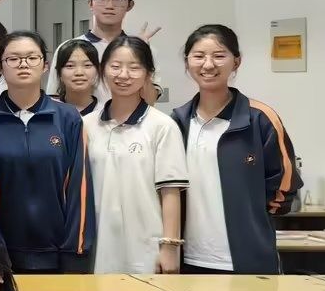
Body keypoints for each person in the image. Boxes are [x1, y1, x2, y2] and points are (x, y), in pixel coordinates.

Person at [172, 25, 301, 274]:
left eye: (219, 55)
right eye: (198, 56)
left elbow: (285, 186)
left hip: (248, 260)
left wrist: (250, 218)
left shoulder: (261, 118)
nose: (208, 64)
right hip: (188, 260)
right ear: (187, 62)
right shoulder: (177, 122)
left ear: (236, 61)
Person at [0, 31, 94, 274]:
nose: (23, 64)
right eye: (13, 59)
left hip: (59, 253)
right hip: (2, 254)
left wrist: (74, 252)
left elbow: (79, 189)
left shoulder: (67, 118)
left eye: (32, 57)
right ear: (0, 67)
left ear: (45, 65)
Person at [87, 37, 188, 275]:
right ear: (102, 71)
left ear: (148, 74)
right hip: (97, 246)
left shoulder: (162, 126)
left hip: (146, 245)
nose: (123, 75)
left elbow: (170, 191)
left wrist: (170, 246)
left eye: (134, 67)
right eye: (115, 66)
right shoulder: (86, 125)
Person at [52, 39, 101, 117]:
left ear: (97, 70)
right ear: (59, 72)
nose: (79, 72)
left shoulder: (106, 114)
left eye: (87, 65)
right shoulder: (48, 112)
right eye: (70, 66)